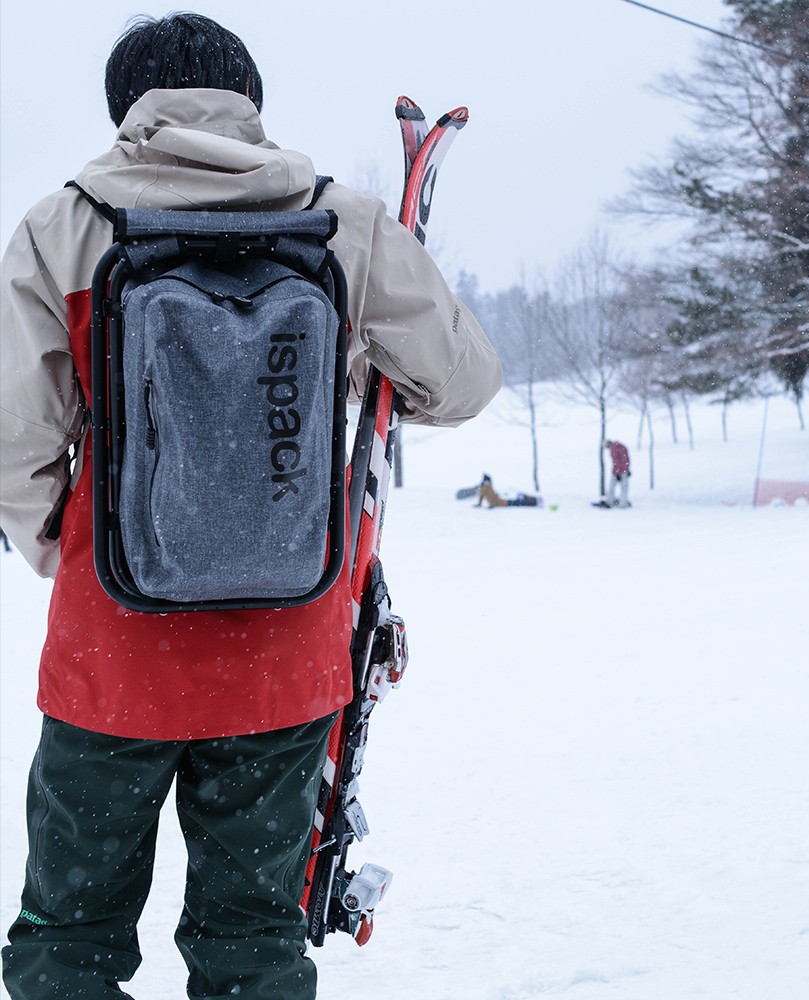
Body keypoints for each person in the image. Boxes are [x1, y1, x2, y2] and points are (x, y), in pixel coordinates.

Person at [0, 14, 501, 1000]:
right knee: (256, 941)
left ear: (126, 109)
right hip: (285, 650)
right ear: (250, 104)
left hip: (113, 655)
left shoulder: (64, 224)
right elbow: (464, 382)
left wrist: (67, 547)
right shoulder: (342, 222)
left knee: (70, 936)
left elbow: (13, 439)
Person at [475, 474, 540, 508]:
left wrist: (480, 504)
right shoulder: (487, 488)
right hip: (503, 503)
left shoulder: (485, 488)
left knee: (517, 502)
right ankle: (533, 501)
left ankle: (532, 501)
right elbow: (491, 499)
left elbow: (484, 498)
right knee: (518, 502)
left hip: (503, 502)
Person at [603, 439, 632, 507]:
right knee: (624, 487)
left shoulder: (614, 449)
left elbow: (617, 462)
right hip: (624, 470)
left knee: (613, 486)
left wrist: (617, 473)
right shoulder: (620, 446)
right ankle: (622, 502)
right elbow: (625, 459)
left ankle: (611, 501)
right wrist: (627, 469)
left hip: (619, 471)